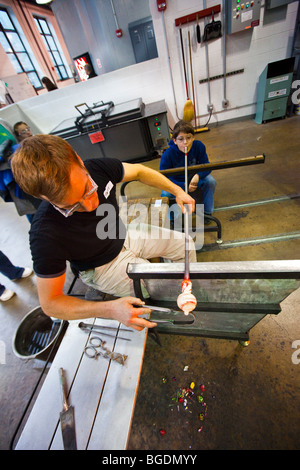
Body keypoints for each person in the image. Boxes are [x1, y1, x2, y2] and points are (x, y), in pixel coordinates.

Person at [11, 134, 197, 331]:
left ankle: (187, 290)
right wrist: (110, 309)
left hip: (122, 234)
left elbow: (140, 172)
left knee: (185, 243)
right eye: (72, 207)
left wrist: (177, 191)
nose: (91, 205)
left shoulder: (97, 168)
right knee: (164, 286)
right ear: (42, 198)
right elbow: (51, 304)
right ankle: (175, 300)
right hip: (101, 267)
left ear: (79, 160)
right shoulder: (44, 234)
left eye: (88, 189)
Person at [160, 120, 216, 220]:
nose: (185, 142)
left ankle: (207, 213)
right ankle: (172, 219)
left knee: (210, 181)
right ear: (174, 141)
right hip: (176, 182)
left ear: (193, 137)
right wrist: (183, 186)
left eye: (188, 138)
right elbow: (164, 177)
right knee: (165, 194)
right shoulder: (167, 154)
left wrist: (198, 176)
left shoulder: (199, 146)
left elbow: (207, 165)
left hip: (195, 179)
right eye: (181, 139)